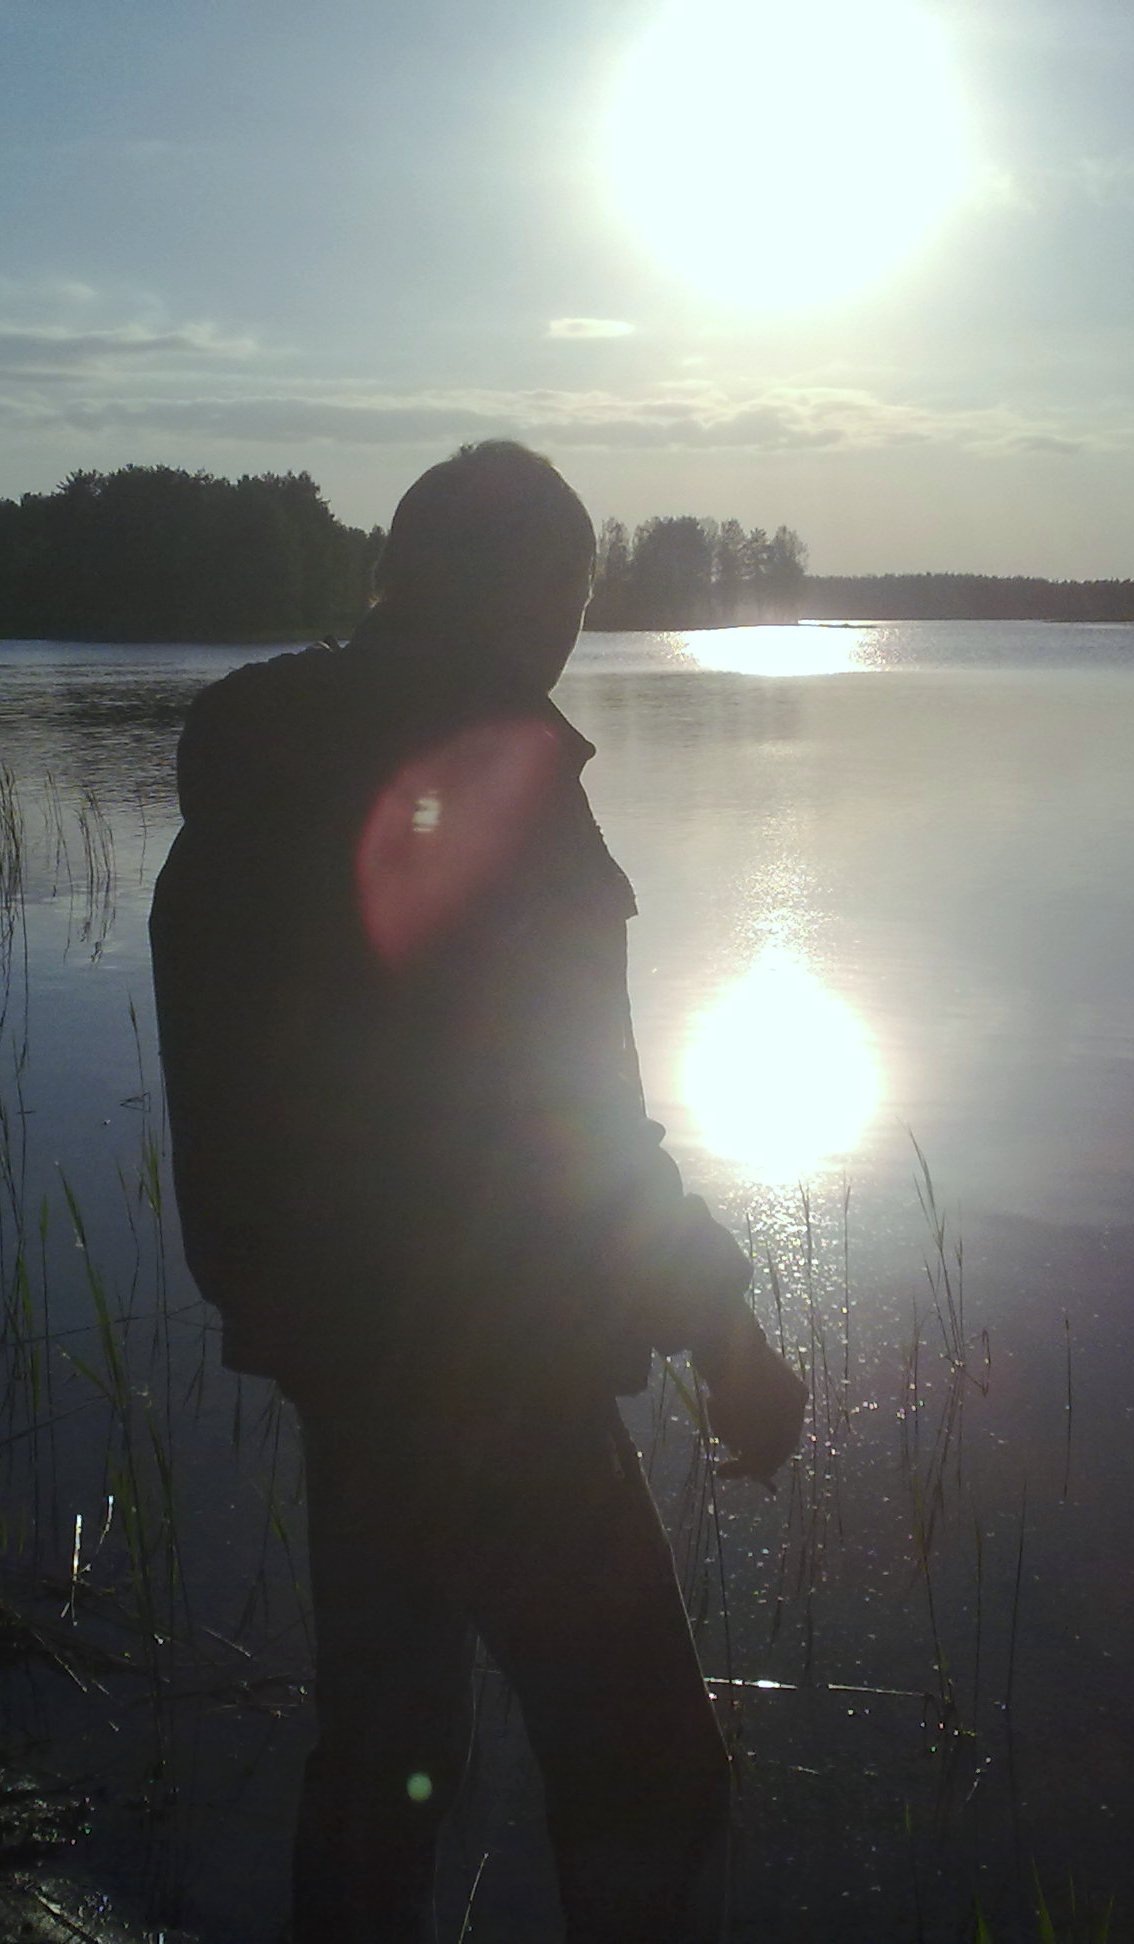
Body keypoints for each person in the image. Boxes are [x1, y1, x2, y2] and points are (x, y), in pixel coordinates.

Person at [149, 441, 806, 1943]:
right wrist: (728, 1340)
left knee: (388, 1753)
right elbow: (584, 1132)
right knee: (649, 1770)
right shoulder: (498, 782)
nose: (571, 630)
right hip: (493, 1367)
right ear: (527, 589)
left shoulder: (260, 774)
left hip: (340, 1353)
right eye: (569, 593)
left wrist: (287, 1305)